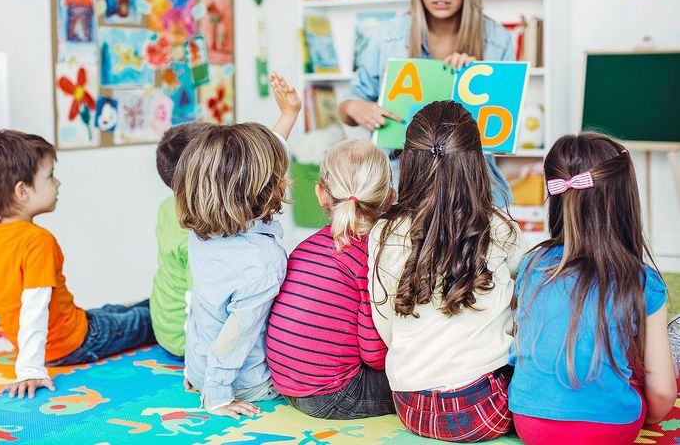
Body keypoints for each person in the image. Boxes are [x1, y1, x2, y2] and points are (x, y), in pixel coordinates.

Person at [0, 130, 155, 399]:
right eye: (50, 176)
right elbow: (34, 309)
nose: (58, 183)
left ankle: (159, 302)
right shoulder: (37, 241)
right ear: (22, 191)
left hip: (68, 328)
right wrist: (30, 370)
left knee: (117, 310)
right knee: (147, 320)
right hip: (74, 343)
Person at [369, 101, 525, 442]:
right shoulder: (499, 228)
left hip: (411, 407)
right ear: (476, 164)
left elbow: (386, 326)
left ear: (407, 162)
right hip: (484, 407)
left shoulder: (382, 233)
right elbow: (527, 295)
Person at [509, 133, 676, 445]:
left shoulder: (531, 265)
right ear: (626, 202)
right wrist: (648, 417)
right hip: (610, 429)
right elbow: (664, 392)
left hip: (530, 424)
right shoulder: (642, 280)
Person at [340, 0, 513, 207]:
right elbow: (347, 104)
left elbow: (502, 131)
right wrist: (355, 108)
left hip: (474, 193)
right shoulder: (389, 36)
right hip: (401, 189)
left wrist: (478, 79)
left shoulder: (497, 39)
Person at [178, 73, 300, 419]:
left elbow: (250, 165)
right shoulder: (261, 261)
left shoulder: (205, 232)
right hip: (246, 381)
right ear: (262, 187)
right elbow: (236, 335)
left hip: (200, 366)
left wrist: (288, 115)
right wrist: (216, 394)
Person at [266, 140, 395, 419]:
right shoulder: (370, 260)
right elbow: (374, 354)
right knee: (418, 385)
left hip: (285, 383)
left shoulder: (303, 247)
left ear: (321, 195)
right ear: (390, 198)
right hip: (333, 395)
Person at [150, 122, 211, 359]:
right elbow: (199, 300)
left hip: (162, 321)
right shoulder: (198, 231)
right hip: (184, 338)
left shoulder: (168, 206)